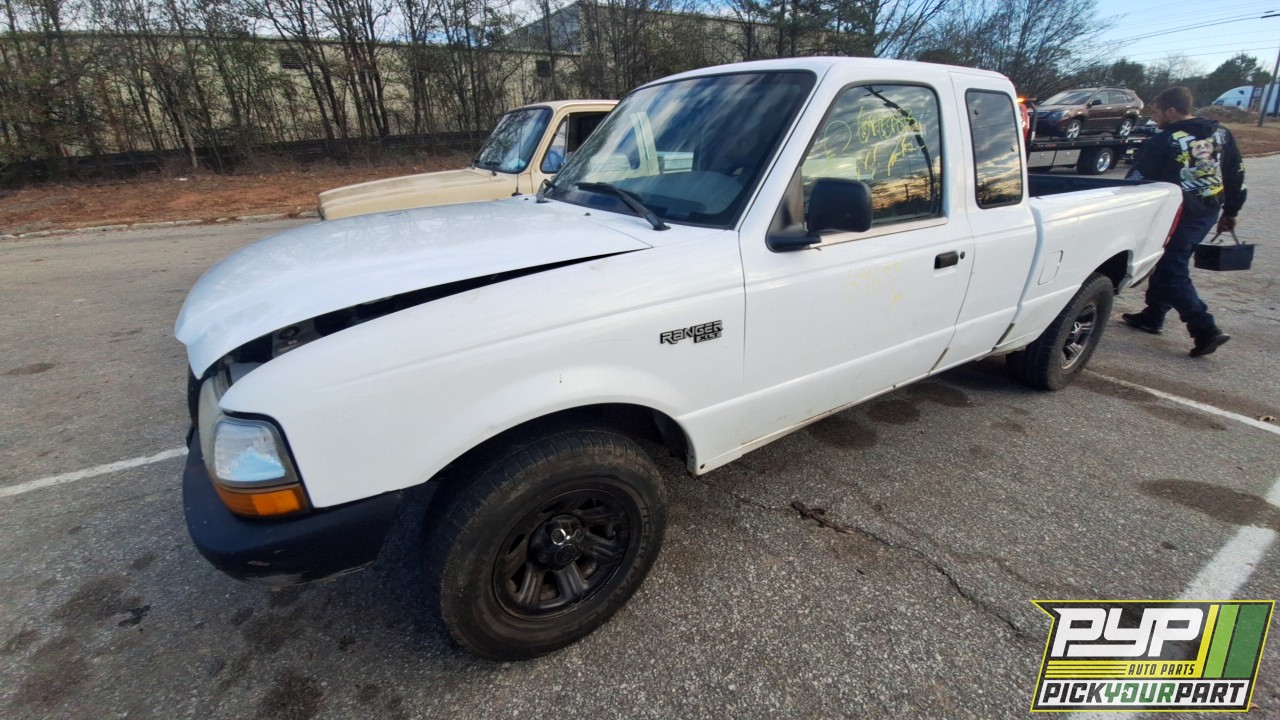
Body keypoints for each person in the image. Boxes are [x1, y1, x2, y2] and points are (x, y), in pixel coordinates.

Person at [1121, 86, 1246, 357]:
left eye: (1156, 112)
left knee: (1172, 269)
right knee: (1169, 262)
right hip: (1208, 210)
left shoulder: (1164, 140)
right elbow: (1235, 173)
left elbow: (1137, 180)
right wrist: (1231, 211)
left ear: (1171, 111)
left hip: (1177, 214)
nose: (1154, 118)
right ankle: (1154, 315)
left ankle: (1205, 329)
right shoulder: (1222, 134)